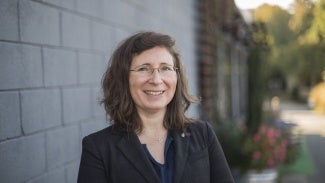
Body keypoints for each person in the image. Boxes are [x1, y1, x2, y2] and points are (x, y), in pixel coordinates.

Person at [77, 31, 234, 183]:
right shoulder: (98, 148)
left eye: (165, 68)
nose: (156, 79)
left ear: (176, 76)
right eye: (143, 69)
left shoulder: (202, 134)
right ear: (123, 78)